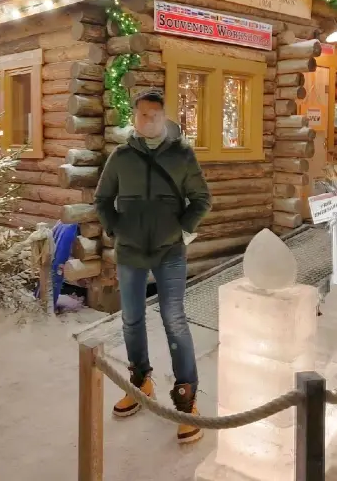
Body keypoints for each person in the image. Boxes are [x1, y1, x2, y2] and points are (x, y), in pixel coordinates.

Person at [94, 89, 211, 444]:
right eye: (143, 114)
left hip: (169, 252)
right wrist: (115, 228)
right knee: (131, 319)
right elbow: (102, 199)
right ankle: (140, 379)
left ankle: (186, 396)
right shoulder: (121, 157)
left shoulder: (182, 155)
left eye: (155, 115)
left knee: (174, 320)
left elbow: (201, 199)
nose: (149, 120)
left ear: (164, 117)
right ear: (135, 117)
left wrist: (183, 228)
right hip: (130, 252)